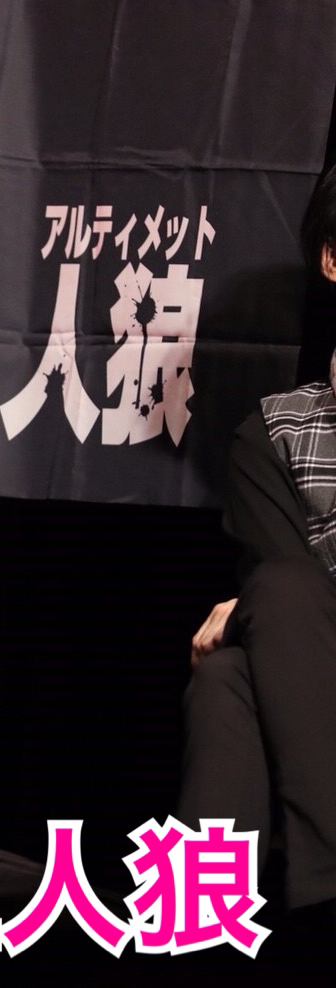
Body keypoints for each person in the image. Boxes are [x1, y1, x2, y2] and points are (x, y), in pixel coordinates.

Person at [178, 162, 336, 924]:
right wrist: (259, 607)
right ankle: (208, 921)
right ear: (333, 260)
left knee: (237, 655)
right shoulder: (277, 430)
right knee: (238, 655)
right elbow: (295, 596)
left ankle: (205, 917)